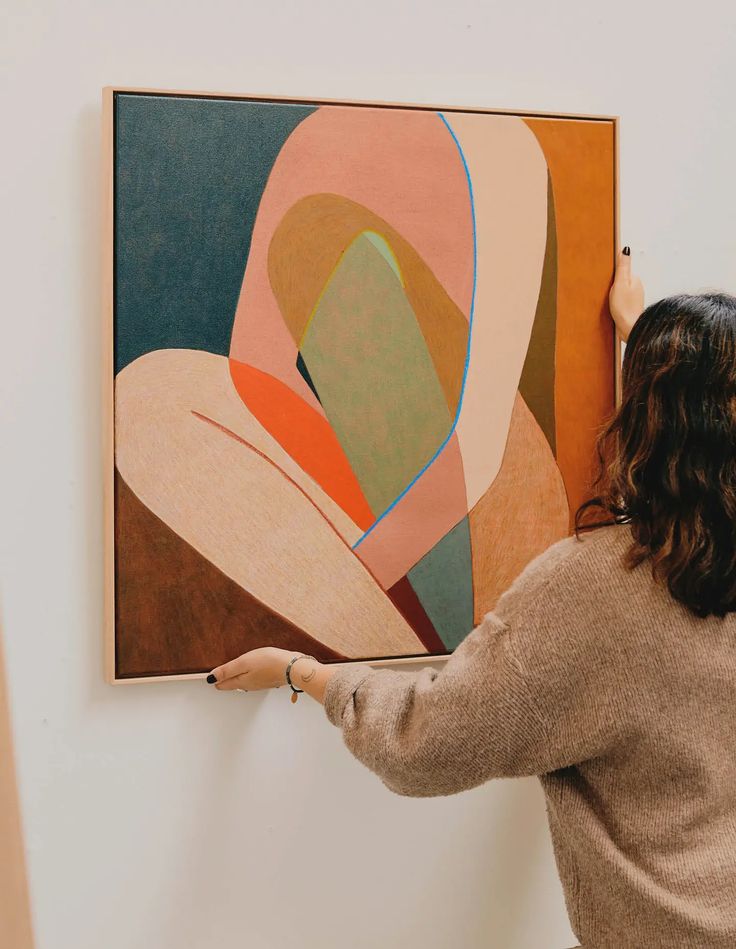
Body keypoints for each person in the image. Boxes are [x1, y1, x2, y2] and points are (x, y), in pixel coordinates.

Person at [207, 249, 736, 948]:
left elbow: (429, 741)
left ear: (646, 419)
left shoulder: (593, 591)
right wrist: (644, 342)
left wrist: (306, 673)